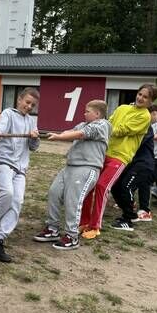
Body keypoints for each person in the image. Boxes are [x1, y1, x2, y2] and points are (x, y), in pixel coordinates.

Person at [80, 83, 157, 239]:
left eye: (145, 97)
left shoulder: (145, 116)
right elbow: (109, 122)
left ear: (151, 101)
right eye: (140, 94)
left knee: (102, 186)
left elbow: (122, 130)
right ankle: (84, 221)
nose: (140, 98)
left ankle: (95, 226)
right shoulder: (122, 108)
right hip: (104, 153)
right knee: (90, 185)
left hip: (120, 157)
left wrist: (100, 129)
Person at [33, 100, 110, 250]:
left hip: (87, 168)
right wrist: (45, 134)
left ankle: (72, 236)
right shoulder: (83, 124)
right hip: (70, 167)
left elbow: (81, 134)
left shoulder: (103, 125)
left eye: (87, 111)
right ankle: (52, 229)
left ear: (97, 114)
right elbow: (69, 132)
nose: (84, 113)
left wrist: (59, 137)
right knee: (54, 192)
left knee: (73, 200)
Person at [0, 87, 40, 262]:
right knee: (7, 194)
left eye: (32, 105)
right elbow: (0, 128)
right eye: (27, 102)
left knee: (17, 201)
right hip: (4, 161)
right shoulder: (8, 113)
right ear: (19, 100)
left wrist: (34, 137)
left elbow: (34, 147)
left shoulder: (31, 121)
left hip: (21, 168)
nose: (29, 107)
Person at [109, 127, 154, 231]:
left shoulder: (144, 125)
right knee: (115, 186)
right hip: (130, 162)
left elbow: (134, 142)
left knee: (126, 187)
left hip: (143, 164)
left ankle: (128, 219)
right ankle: (130, 213)